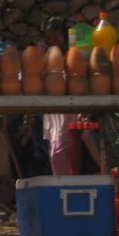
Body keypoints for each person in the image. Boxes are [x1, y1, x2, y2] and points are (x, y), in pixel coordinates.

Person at [41, 16, 78, 176]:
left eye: (56, 37)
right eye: (49, 38)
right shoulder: (47, 57)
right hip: (54, 114)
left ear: (64, 36)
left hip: (70, 112)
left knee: (65, 152)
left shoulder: (72, 57)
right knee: (56, 152)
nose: (53, 41)